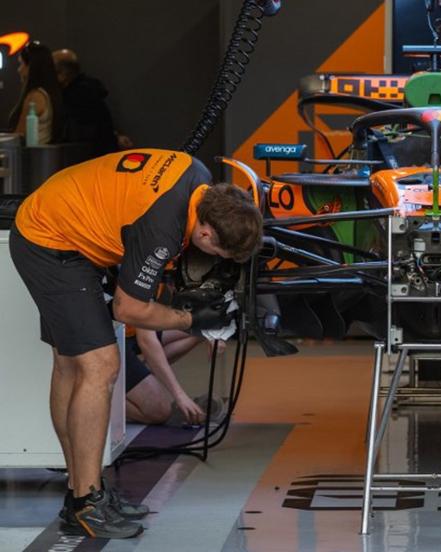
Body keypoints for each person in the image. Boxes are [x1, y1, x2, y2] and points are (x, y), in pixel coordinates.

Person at [10, 149, 263, 538]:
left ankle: (80, 494)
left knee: (70, 364)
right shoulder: (163, 228)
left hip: (61, 217)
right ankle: (88, 503)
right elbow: (128, 308)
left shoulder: (198, 177)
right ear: (206, 233)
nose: (213, 259)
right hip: (50, 240)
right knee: (101, 365)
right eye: (217, 253)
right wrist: (191, 320)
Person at [125, 328, 224, 425]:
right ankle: (115, 403)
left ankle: (142, 372)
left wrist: (213, 336)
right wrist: (180, 396)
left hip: (130, 332)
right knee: (160, 412)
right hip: (117, 342)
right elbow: (147, 341)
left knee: (201, 331)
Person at [52, 48, 132, 155]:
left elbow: (77, 134)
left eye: (51, 71)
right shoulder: (91, 90)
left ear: (63, 74)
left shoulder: (74, 97)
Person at [8, 40, 64, 144]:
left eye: (21, 64)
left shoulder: (35, 97)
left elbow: (19, 135)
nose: (19, 70)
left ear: (31, 67)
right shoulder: (49, 94)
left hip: (31, 153)